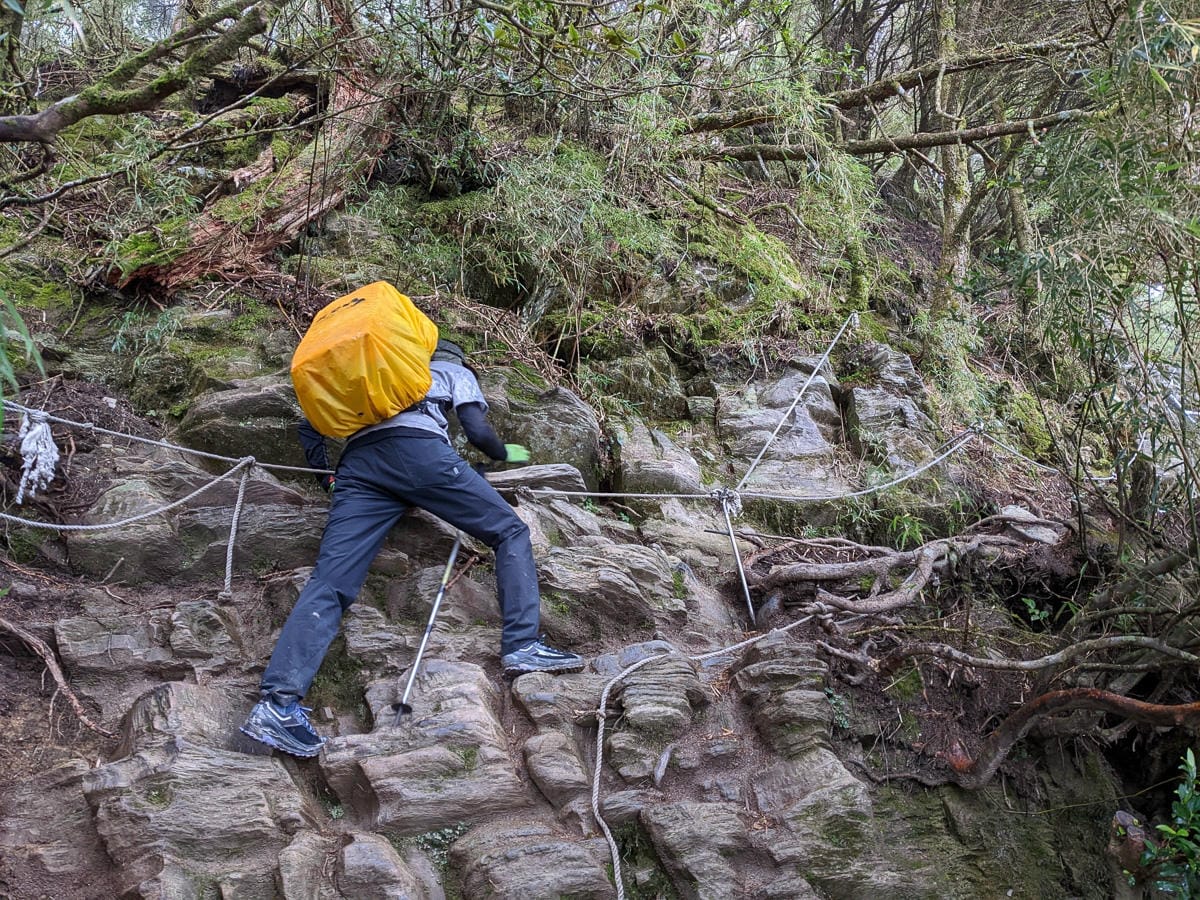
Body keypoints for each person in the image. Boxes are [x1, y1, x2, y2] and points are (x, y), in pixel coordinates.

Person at [240, 338, 583, 757]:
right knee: (509, 531)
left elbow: (309, 427)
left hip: (359, 464)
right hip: (420, 453)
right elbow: (477, 432)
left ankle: (277, 705)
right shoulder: (451, 372)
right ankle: (522, 645)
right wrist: (502, 453)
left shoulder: (371, 381)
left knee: (330, 581)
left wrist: (326, 478)